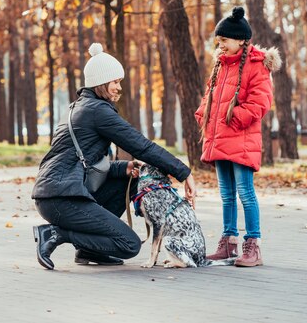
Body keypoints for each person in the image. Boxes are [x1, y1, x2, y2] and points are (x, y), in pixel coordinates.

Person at [32, 42, 197, 270]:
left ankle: (89, 250)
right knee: (128, 244)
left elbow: (83, 160)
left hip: (58, 194)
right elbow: (141, 145)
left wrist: (123, 168)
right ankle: (55, 234)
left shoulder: (78, 106)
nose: (119, 87)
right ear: (101, 82)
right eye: (116, 82)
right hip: (62, 199)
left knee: (129, 179)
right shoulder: (97, 111)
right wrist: (183, 171)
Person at [195, 7, 281, 267]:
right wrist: (203, 115)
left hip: (241, 139)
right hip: (219, 137)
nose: (220, 46)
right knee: (226, 194)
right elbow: (210, 96)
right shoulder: (221, 65)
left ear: (241, 40)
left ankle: (252, 245)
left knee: (245, 191)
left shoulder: (256, 65)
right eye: (218, 41)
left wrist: (236, 117)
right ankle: (228, 241)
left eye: (224, 41)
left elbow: (261, 101)